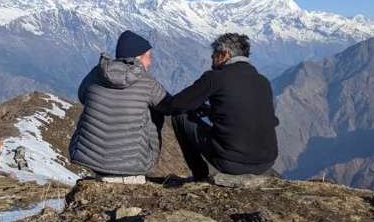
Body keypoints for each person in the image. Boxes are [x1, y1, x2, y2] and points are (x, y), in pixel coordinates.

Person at [156, 33, 278, 180]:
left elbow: (176, 105)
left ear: (224, 54)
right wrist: (209, 111)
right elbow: (241, 115)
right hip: (266, 161)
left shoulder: (215, 77)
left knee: (179, 116)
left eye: (214, 53)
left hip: (231, 162)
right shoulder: (263, 81)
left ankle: (199, 175)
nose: (211, 58)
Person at [69, 30, 169, 182]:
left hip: (90, 158)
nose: (150, 62)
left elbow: (83, 97)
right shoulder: (147, 83)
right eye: (148, 57)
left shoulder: (95, 74)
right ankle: (138, 159)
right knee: (156, 110)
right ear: (138, 58)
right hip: (134, 164)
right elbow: (170, 106)